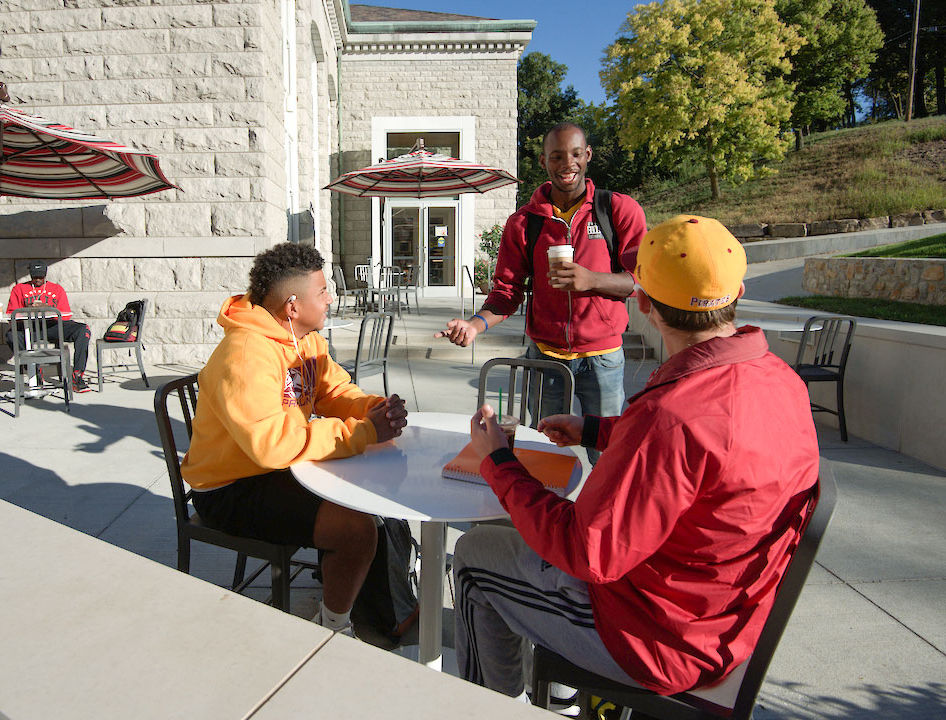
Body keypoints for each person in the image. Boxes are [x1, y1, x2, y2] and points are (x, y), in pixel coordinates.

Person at [453, 215, 820, 701]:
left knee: (477, 558)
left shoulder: (672, 414)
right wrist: (598, 429)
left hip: (657, 637)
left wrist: (497, 461)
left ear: (642, 301)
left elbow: (586, 553)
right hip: (722, 615)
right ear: (737, 291)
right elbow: (710, 459)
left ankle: (493, 709)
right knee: (514, 537)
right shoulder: (780, 380)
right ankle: (554, 690)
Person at [180, 242, 408, 636]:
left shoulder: (306, 339)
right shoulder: (246, 353)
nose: (331, 298)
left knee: (377, 490)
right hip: (231, 486)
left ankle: (381, 606)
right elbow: (270, 443)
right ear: (292, 306)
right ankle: (334, 627)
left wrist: (374, 409)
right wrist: (364, 432)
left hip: (275, 466)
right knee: (357, 529)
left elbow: (335, 392)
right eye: (322, 292)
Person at [436, 122, 646, 462]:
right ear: (543, 161)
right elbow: (506, 292)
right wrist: (474, 325)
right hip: (546, 358)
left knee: (610, 458)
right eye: (557, 156)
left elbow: (638, 280)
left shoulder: (617, 210)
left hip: (604, 357)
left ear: (588, 155)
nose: (568, 163)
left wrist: (590, 279)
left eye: (576, 154)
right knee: (543, 455)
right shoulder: (525, 222)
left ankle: (602, 516)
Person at [6, 260, 92, 393]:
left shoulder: (56, 289)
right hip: (30, 328)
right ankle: (35, 373)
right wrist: (27, 309)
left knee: (83, 330)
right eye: (34, 277)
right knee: (11, 336)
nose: (37, 280)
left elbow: (65, 315)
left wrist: (48, 309)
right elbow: (11, 315)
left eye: (40, 277)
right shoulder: (19, 289)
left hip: (52, 326)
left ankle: (77, 375)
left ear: (45, 275)